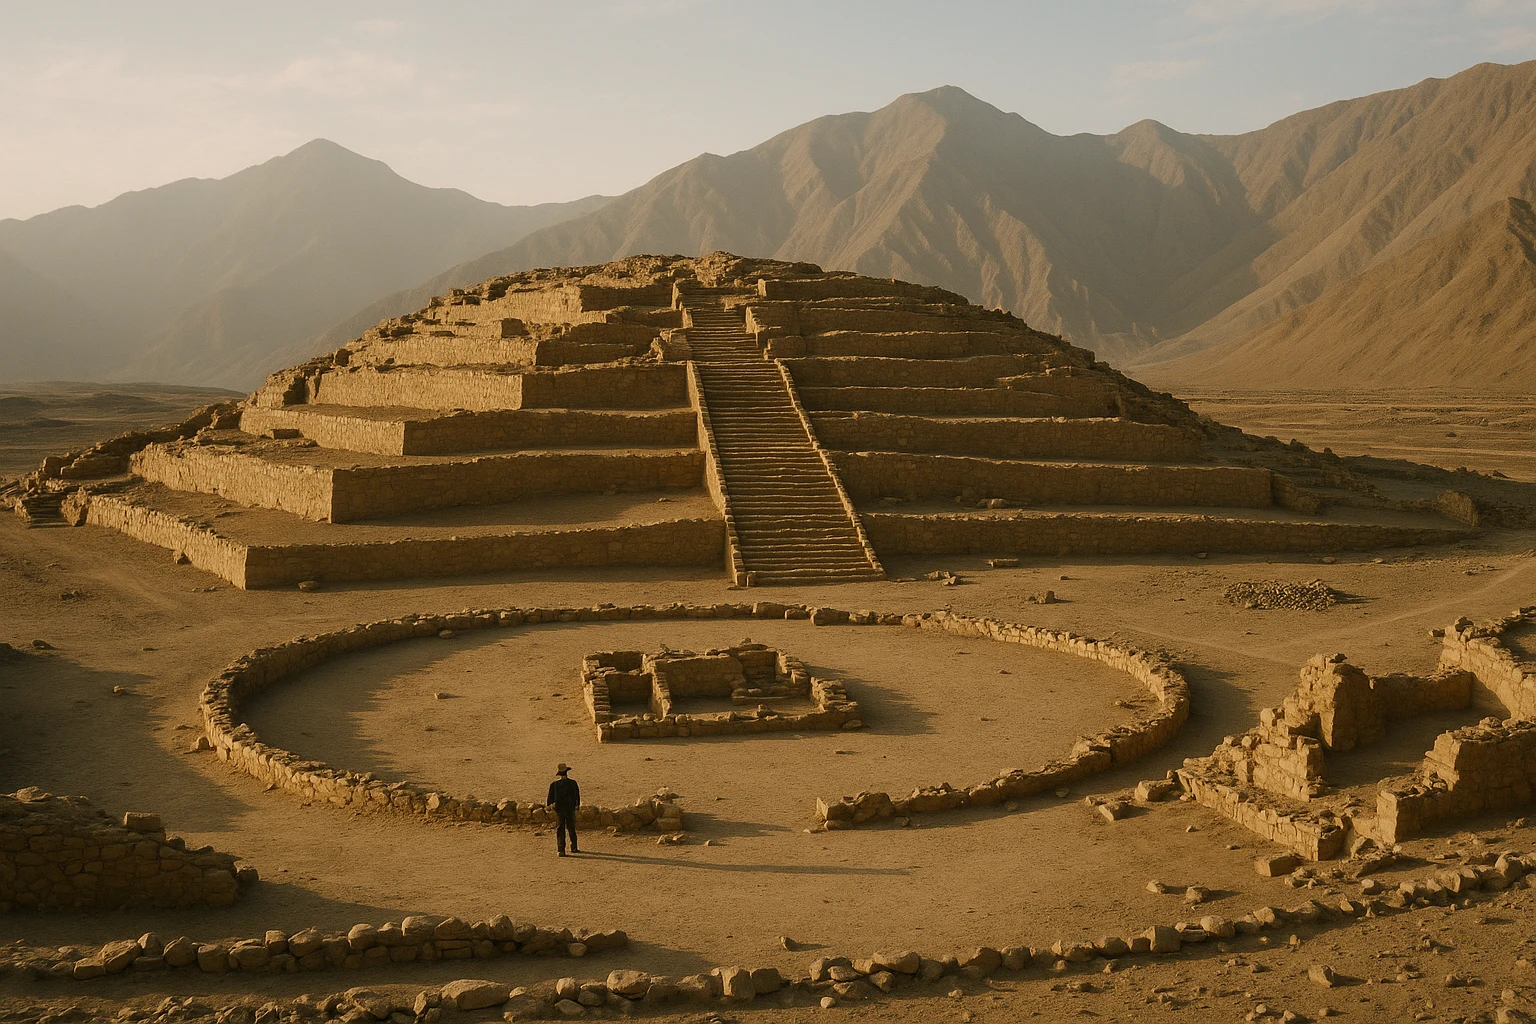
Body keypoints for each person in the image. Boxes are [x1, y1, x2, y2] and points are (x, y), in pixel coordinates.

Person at [547, 763, 580, 856]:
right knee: (571, 828)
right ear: (567, 773)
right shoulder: (573, 783)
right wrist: (577, 806)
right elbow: (577, 796)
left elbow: (550, 799)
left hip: (560, 809)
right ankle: (574, 847)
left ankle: (561, 849)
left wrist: (551, 806)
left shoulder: (554, 785)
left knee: (560, 829)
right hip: (570, 808)